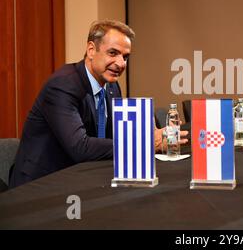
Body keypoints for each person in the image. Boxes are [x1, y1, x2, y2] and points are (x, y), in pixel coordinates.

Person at [9, 20, 188, 188]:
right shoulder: (63, 85)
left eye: (125, 57)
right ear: (91, 50)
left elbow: (115, 134)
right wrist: (144, 143)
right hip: (40, 184)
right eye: (113, 53)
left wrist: (151, 133)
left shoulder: (111, 86)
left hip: (81, 177)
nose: (120, 63)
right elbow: (80, 147)